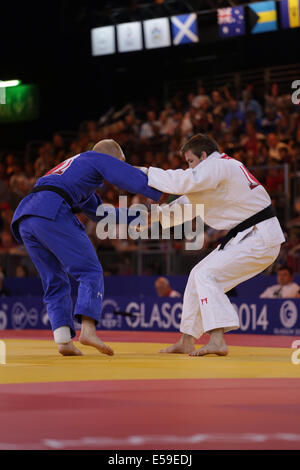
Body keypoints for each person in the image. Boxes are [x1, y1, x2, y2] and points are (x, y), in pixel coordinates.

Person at [11, 139, 161, 357]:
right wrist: (159, 189)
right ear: (111, 158)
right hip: (52, 210)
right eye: (120, 162)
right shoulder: (95, 158)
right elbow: (124, 175)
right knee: (90, 270)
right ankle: (88, 331)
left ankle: (63, 340)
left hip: (27, 217)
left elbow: (101, 214)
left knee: (55, 278)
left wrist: (138, 217)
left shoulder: (73, 171)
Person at [144, 133, 285, 356]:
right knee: (197, 274)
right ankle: (187, 340)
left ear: (204, 155)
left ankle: (217, 339)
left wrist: (146, 173)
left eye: (191, 161)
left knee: (207, 275)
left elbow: (186, 181)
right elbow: (186, 205)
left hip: (258, 236)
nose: (190, 167)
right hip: (249, 236)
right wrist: (154, 217)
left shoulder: (216, 164)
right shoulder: (219, 171)